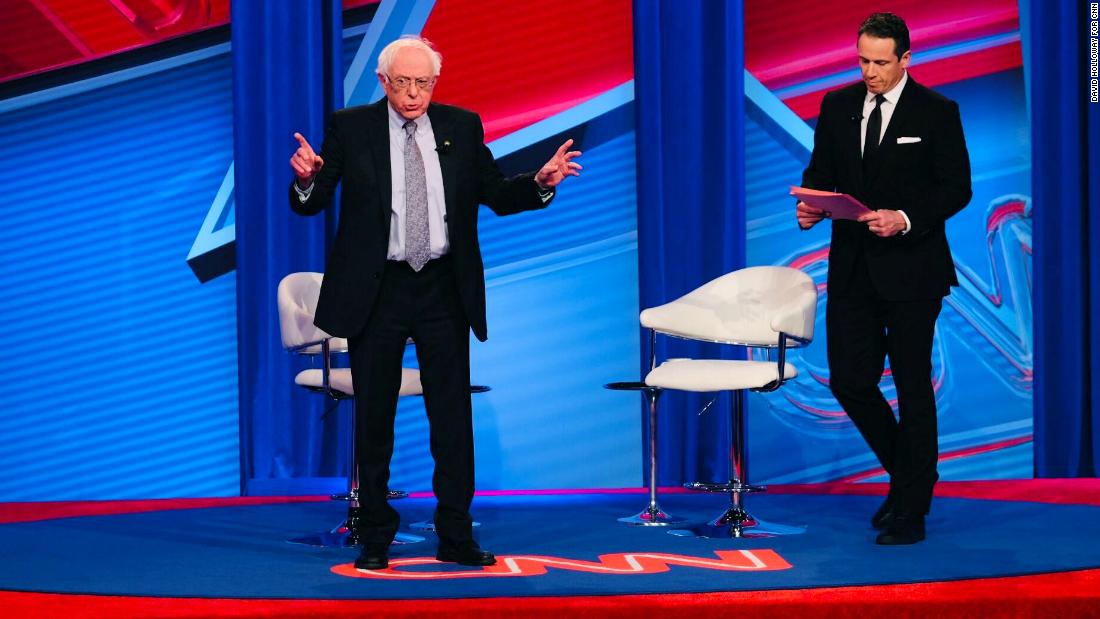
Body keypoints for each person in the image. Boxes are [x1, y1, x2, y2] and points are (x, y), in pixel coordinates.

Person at [288, 36, 582, 569]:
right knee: (374, 419)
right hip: (378, 290)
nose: (414, 93)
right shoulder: (352, 127)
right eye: (403, 82)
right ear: (383, 82)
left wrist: (540, 183)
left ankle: (455, 534)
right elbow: (314, 200)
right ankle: (375, 534)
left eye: (424, 82)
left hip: (443, 288)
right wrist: (305, 181)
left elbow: (495, 192)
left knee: (451, 418)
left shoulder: (460, 127)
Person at [796, 12, 971, 545]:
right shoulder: (837, 106)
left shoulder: (937, 112)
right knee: (850, 380)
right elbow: (820, 171)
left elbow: (956, 188)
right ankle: (910, 476)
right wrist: (810, 205)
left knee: (914, 387)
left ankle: (911, 509)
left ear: (905, 59)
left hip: (914, 271)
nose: (868, 71)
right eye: (862, 60)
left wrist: (906, 217)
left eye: (879, 62)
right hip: (852, 269)